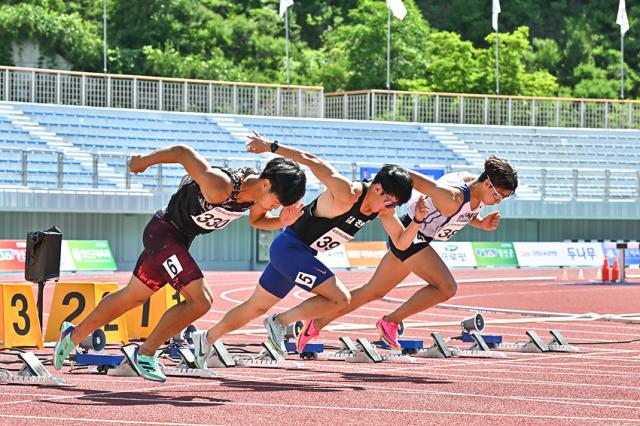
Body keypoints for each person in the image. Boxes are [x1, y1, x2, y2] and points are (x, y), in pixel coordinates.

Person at [53, 143, 306, 382]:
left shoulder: (255, 196)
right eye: (277, 201)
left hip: (180, 240)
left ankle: (71, 335)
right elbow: (183, 153)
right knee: (201, 300)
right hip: (163, 233)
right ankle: (146, 354)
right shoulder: (220, 185)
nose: (276, 207)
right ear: (265, 184)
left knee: (133, 296)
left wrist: (281, 222)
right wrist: (143, 161)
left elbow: (257, 222)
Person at [192, 132, 428, 367]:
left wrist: (416, 221)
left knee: (255, 306)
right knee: (339, 299)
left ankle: (205, 339)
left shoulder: (382, 209)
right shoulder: (348, 193)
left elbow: (401, 243)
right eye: (392, 202)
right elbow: (312, 161)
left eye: (396, 205)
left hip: (298, 254)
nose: (392, 208)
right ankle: (279, 322)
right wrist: (272, 147)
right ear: (378, 189)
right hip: (291, 249)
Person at [295, 155, 518, 351]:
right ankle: (390, 321)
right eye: (499, 196)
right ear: (487, 184)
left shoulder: (476, 190)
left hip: (415, 236)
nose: (498, 201)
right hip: (411, 233)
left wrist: (481, 223)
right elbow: (412, 178)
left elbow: (462, 216)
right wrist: (383, 180)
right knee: (446, 287)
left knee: (372, 291)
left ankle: (316, 323)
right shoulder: (453, 197)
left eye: (504, 198)